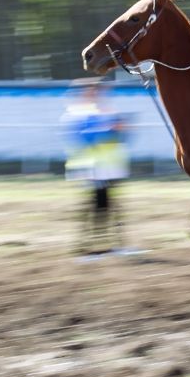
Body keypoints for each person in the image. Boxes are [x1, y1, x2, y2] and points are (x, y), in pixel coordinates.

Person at [61, 78, 131, 255]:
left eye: (99, 91)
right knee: (95, 204)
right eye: (93, 91)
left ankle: (111, 242)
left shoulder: (109, 111)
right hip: (89, 167)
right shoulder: (76, 113)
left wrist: (122, 129)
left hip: (110, 167)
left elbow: (123, 137)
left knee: (110, 204)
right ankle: (89, 244)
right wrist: (110, 129)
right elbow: (84, 137)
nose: (98, 94)